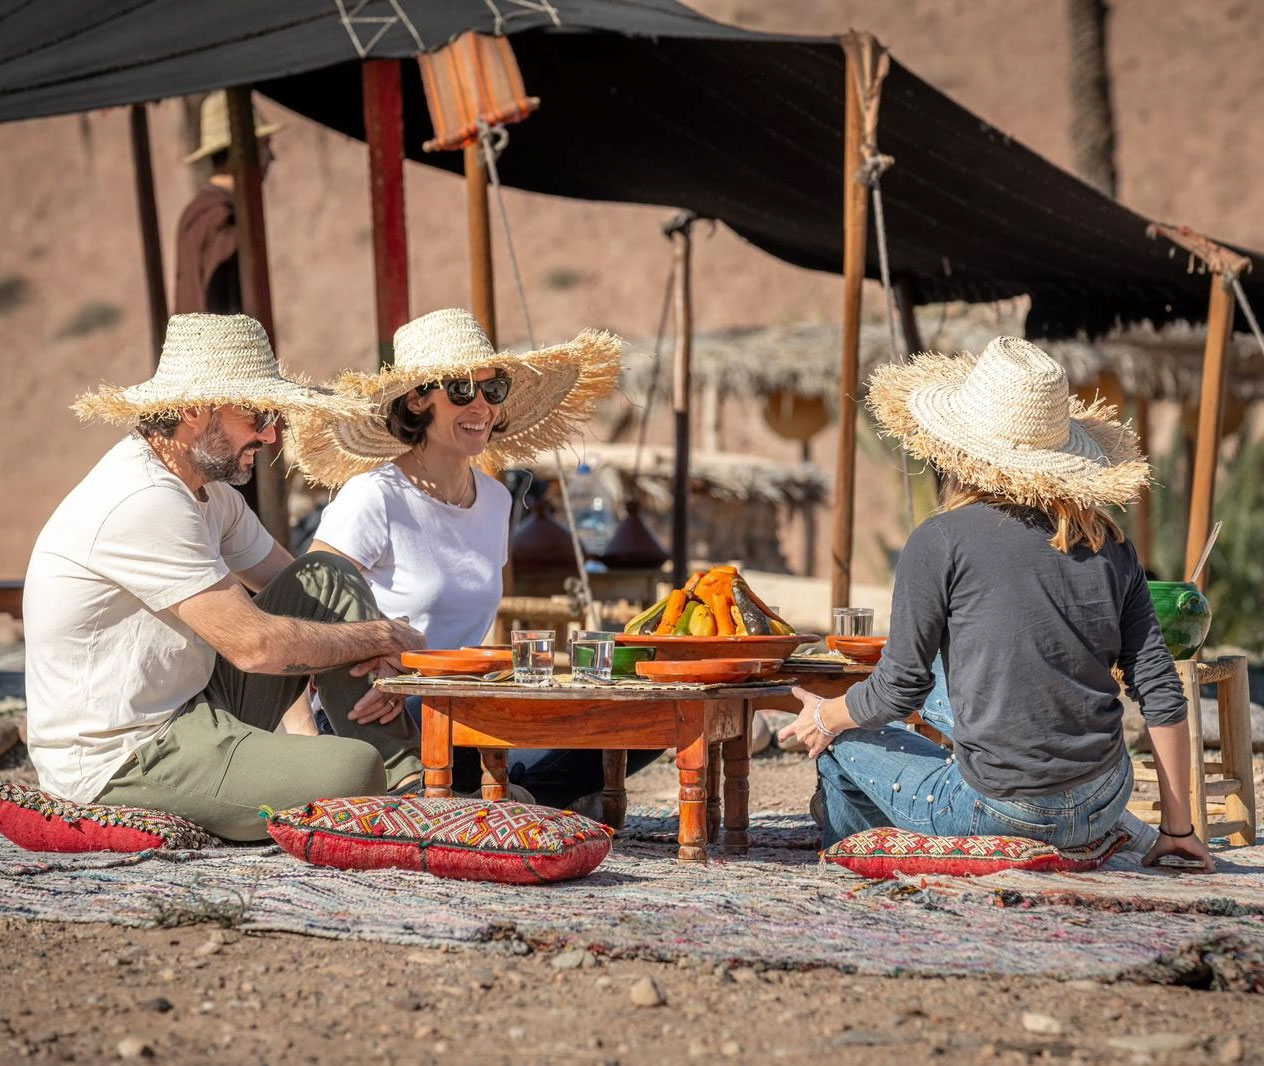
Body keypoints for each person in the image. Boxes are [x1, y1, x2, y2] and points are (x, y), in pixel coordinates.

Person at [779, 336, 1214, 872]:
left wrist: (824, 715)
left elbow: (895, 692)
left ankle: (868, 859)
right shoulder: (1111, 543)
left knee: (844, 744)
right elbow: (1160, 690)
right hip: (1105, 798)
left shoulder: (940, 540)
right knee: (945, 683)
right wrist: (1179, 830)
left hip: (1008, 811)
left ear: (956, 450)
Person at [23, 313, 428, 841]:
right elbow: (257, 647)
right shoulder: (145, 501)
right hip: (124, 758)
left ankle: (412, 784)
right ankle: (389, 784)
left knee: (329, 577)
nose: (271, 433)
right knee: (350, 770)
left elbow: (311, 590)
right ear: (193, 410)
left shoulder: (210, 494)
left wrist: (371, 653)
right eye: (257, 414)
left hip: (196, 707)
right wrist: (382, 637)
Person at [291, 307, 656, 810]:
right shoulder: (374, 496)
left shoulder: (495, 500)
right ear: (418, 399)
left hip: (459, 704)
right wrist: (378, 660)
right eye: (462, 391)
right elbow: (302, 609)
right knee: (482, 719)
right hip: (378, 714)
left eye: (493, 390)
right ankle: (510, 798)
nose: (481, 405)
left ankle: (503, 799)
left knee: (641, 718)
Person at [173, 90, 280, 316]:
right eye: (264, 146)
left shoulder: (198, 211)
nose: (272, 157)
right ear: (241, 151)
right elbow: (225, 312)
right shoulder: (222, 219)